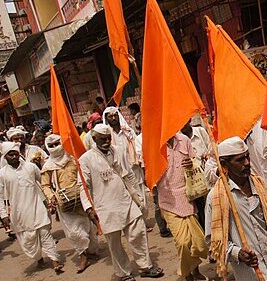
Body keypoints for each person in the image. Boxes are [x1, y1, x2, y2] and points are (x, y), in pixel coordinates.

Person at [205, 136, 267, 281]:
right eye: (240, 160)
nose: (247, 163)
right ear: (224, 164)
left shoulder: (259, 183)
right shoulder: (216, 198)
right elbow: (214, 242)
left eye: (247, 157)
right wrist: (237, 253)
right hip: (250, 275)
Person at [78, 124, 163, 280]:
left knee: (138, 234)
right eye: (102, 139)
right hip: (105, 207)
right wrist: (89, 208)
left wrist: (138, 195)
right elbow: (83, 186)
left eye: (108, 138)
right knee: (115, 244)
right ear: (94, 138)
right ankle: (123, 273)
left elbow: (128, 173)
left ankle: (145, 266)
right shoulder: (85, 159)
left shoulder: (117, 150)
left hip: (126, 200)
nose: (106, 141)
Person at [0, 142, 64, 273]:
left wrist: (49, 198)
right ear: (5, 157)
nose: (14, 156)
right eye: (11, 155)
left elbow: (43, 183)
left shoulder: (30, 167)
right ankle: (39, 259)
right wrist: (3, 215)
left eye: (16, 154)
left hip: (37, 206)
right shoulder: (1, 175)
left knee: (45, 234)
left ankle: (55, 261)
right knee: (29, 241)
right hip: (19, 212)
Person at [40, 134, 99, 273]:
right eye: (52, 145)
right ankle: (83, 257)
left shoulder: (73, 158)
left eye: (57, 144)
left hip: (82, 199)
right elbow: (46, 185)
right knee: (74, 232)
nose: (55, 147)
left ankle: (91, 250)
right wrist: (51, 197)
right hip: (65, 203)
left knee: (89, 227)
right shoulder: (48, 166)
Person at [157, 132, 207, 280]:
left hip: (188, 196)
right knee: (183, 242)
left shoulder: (184, 140)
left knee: (197, 241)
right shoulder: (154, 146)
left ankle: (195, 271)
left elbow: (195, 159)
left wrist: (191, 163)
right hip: (167, 201)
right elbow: (150, 174)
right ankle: (187, 274)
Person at [103, 107, 145, 204]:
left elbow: (138, 148)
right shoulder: (106, 137)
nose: (113, 118)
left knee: (140, 191)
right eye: (110, 116)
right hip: (119, 171)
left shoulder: (128, 132)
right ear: (106, 119)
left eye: (115, 115)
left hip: (134, 168)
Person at [181, 120, 211, 229]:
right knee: (201, 208)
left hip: (208, 175)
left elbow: (210, 147)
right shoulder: (179, 139)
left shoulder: (200, 132)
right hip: (194, 181)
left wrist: (208, 155)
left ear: (188, 120)